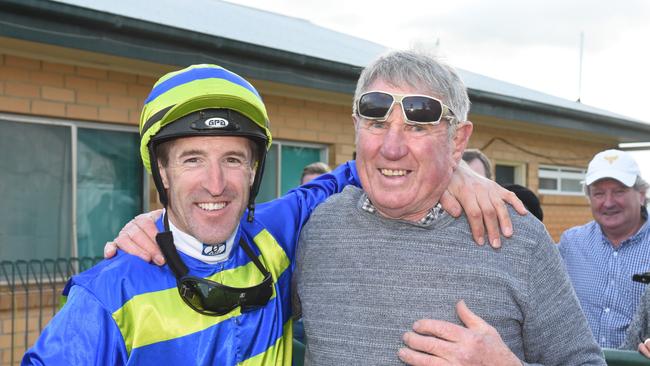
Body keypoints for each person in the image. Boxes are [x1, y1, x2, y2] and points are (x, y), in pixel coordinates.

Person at [23, 64, 364, 365]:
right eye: (192, 160)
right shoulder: (108, 295)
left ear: (253, 170)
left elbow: (373, 166)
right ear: (163, 172)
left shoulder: (276, 232)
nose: (215, 185)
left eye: (232, 159)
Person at [293, 50, 603, 365]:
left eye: (417, 127)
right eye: (376, 123)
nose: (392, 148)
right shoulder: (318, 227)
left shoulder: (518, 239)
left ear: (457, 141)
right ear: (356, 128)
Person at [559, 149, 650, 348]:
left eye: (619, 191)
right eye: (599, 193)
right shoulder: (571, 243)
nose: (608, 202)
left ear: (641, 195)